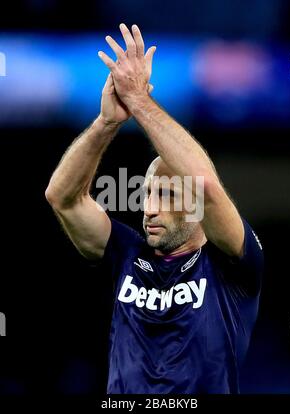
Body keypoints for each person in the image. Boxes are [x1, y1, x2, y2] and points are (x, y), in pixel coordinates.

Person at [45, 23, 264, 394]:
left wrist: (139, 101)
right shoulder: (126, 252)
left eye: (166, 194)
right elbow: (62, 197)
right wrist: (106, 123)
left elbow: (206, 184)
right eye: (147, 193)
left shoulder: (234, 262)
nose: (148, 207)